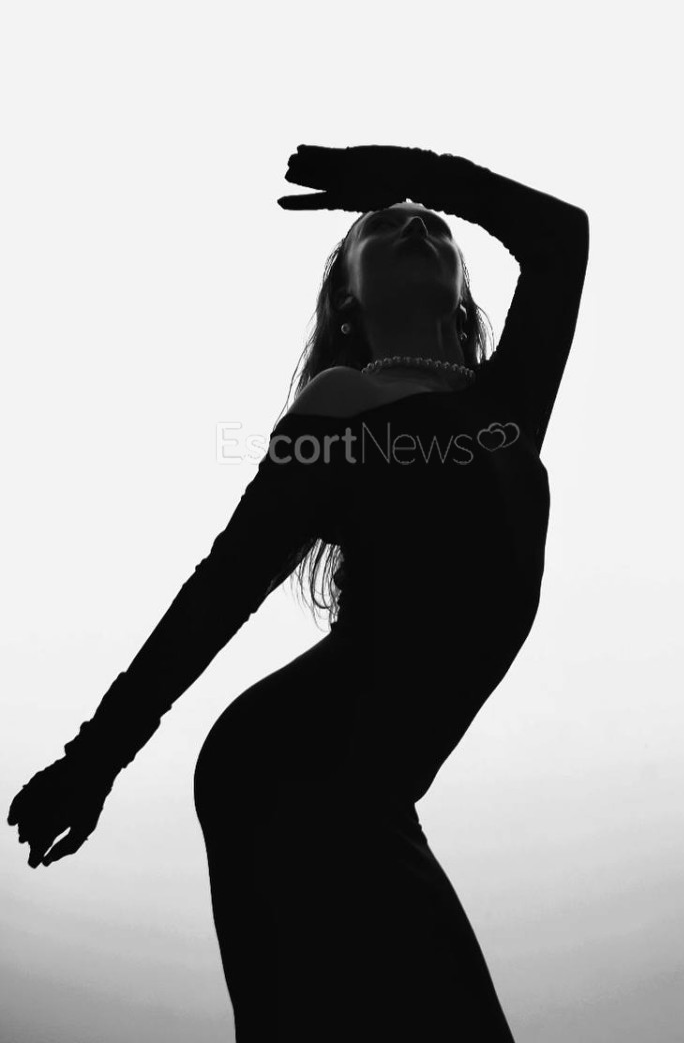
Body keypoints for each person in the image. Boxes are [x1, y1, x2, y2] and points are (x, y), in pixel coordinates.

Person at [7, 144, 589, 1041]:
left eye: (433, 227)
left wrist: (410, 174)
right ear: (346, 300)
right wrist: (96, 758)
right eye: (384, 227)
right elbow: (222, 587)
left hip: (367, 798)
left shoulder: (508, 409)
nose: (416, 225)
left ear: (465, 301)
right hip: (287, 776)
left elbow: (560, 237)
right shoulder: (338, 406)